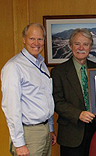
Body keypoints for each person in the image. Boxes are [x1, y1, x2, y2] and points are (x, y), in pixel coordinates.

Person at [1, 23, 56, 156]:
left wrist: (50, 128)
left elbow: (46, 98)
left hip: (44, 131)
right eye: (32, 38)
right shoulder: (14, 67)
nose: (36, 43)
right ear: (24, 39)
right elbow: (11, 108)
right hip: (28, 135)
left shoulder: (41, 65)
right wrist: (19, 144)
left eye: (40, 39)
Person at [51, 28, 96, 156]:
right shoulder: (58, 72)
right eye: (77, 43)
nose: (81, 48)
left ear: (90, 47)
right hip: (71, 132)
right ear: (70, 46)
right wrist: (78, 114)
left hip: (95, 129)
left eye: (85, 44)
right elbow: (57, 102)